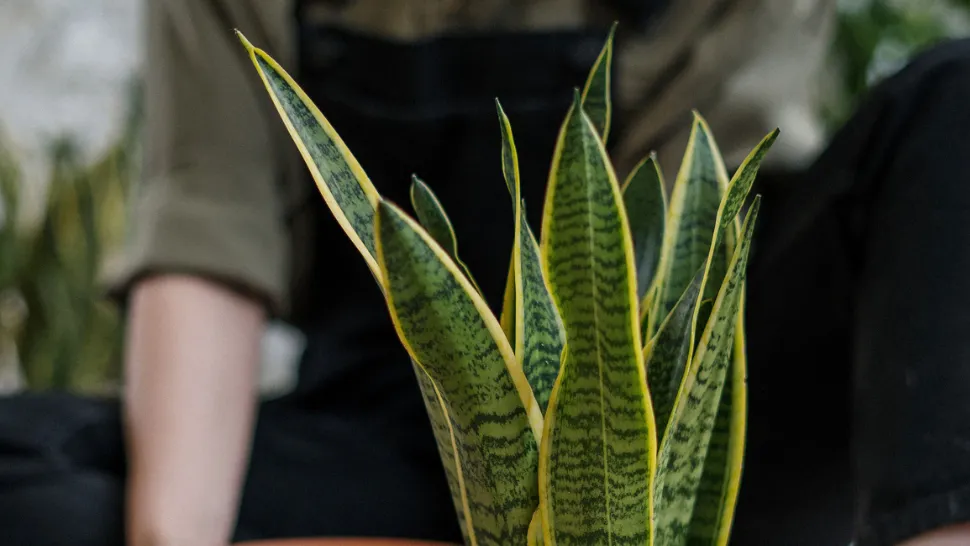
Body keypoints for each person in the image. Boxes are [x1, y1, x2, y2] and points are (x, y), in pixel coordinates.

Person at [0, 1, 969, 545]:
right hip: (394, 426)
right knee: (31, 471)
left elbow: (674, 241)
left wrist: (601, 502)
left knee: (952, 99)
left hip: (688, 430)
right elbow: (208, 246)